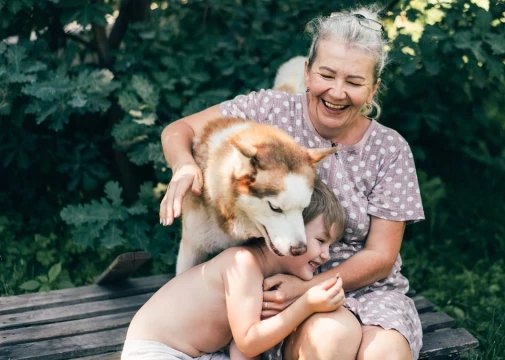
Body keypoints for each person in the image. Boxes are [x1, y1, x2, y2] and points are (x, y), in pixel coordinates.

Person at [159, 5, 425, 360]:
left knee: (388, 354)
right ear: (307, 71)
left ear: (374, 88)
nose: (337, 92)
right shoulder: (269, 111)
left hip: (367, 288)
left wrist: (308, 287)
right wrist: (184, 166)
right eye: (327, 75)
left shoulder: (390, 149)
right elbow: (179, 130)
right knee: (330, 340)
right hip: (278, 288)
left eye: (354, 82)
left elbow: (380, 256)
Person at [124, 180, 348, 360]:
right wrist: (305, 305)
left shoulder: (266, 278)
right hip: (154, 351)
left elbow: (242, 349)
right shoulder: (243, 263)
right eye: (321, 240)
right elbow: (248, 342)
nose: (326, 254)